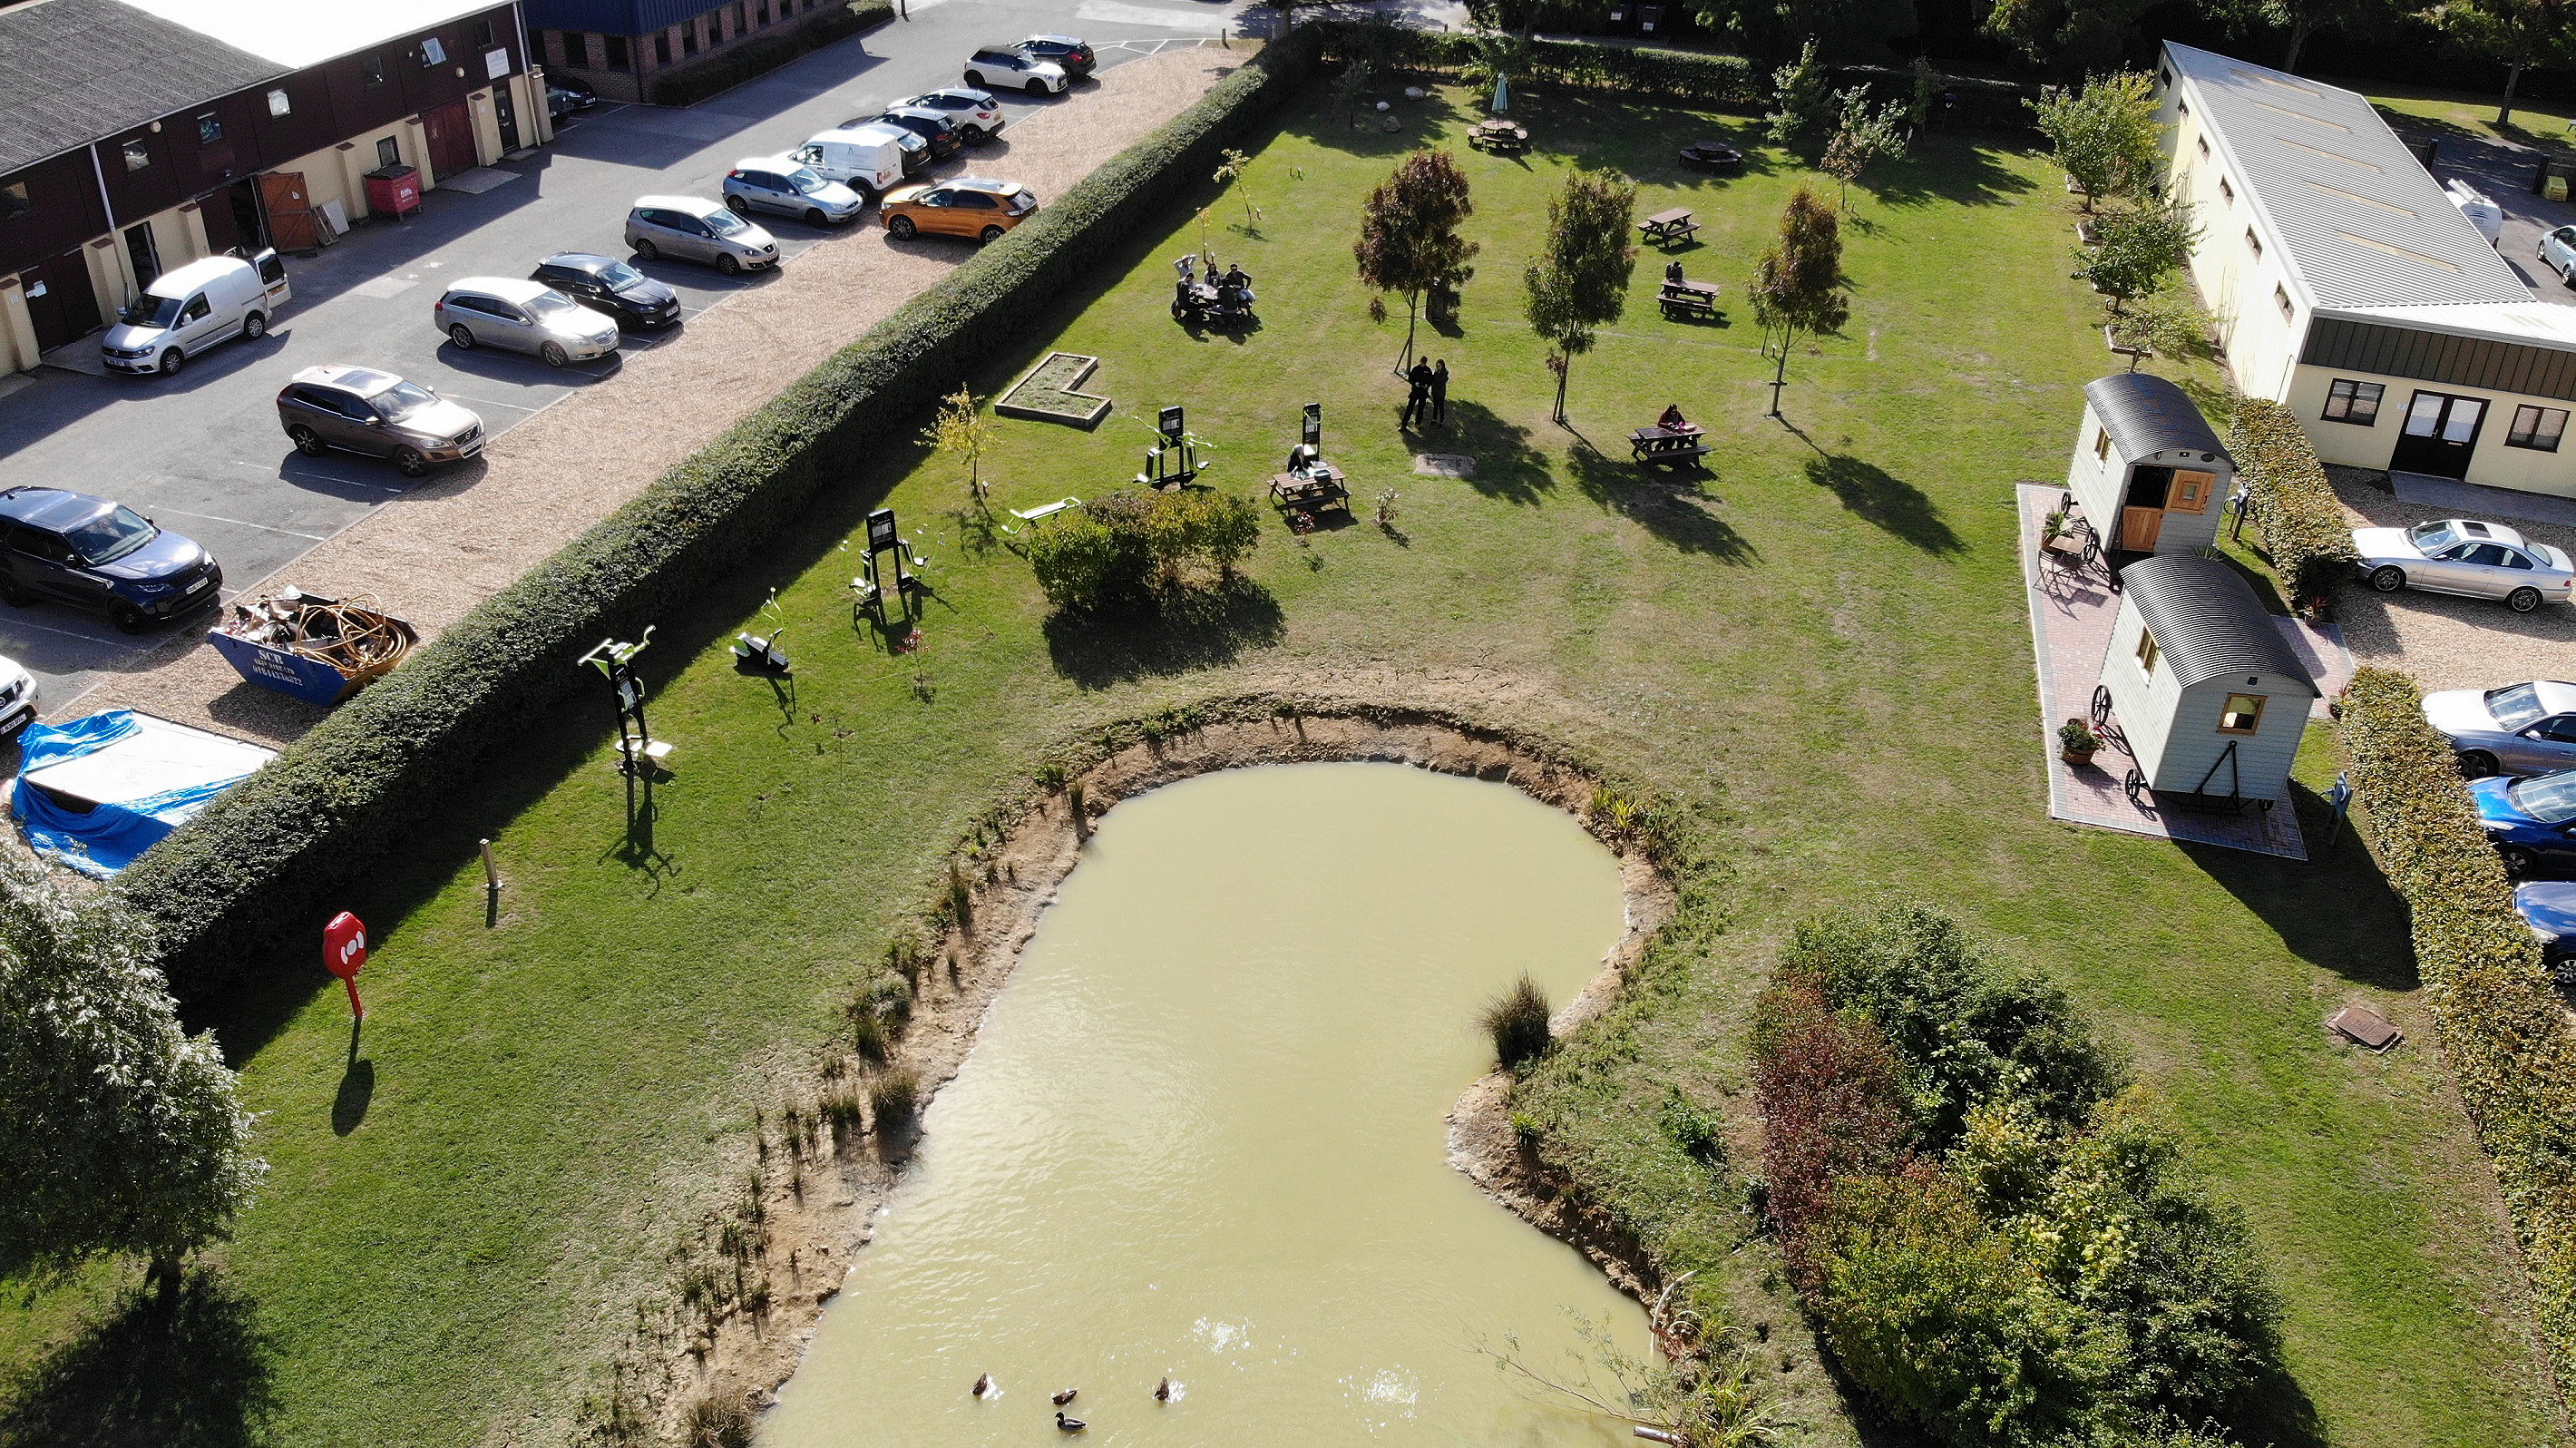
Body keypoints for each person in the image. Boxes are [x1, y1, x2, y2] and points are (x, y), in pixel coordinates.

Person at [1401, 358, 1433, 427]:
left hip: (1423, 392)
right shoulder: (1416, 369)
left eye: (1424, 363)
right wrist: (1415, 383)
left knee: (1421, 409)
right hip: (1415, 391)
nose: (1422, 364)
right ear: (1420, 361)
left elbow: (1430, 380)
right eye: (1422, 362)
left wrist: (1426, 385)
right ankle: (1404, 423)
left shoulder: (1428, 370)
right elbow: (1410, 379)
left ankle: (1418, 423)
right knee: (1410, 407)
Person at [1430, 360, 1449, 425]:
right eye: (1437, 366)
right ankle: (1434, 419)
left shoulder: (1445, 373)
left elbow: (1441, 381)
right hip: (1435, 393)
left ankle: (1441, 421)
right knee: (1435, 407)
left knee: (1441, 407)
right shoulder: (1436, 373)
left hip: (1441, 393)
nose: (1438, 367)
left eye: (1439, 366)